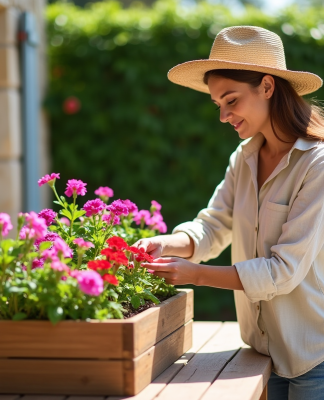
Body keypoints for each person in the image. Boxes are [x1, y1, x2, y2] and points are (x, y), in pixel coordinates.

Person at [133, 26, 324, 399]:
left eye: (231, 100)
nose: (223, 116)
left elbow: (283, 272)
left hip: (312, 360)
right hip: (262, 354)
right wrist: (168, 243)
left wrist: (196, 275)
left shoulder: (316, 165)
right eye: (218, 104)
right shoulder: (245, 158)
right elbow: (214, 225)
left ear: (267, 87)